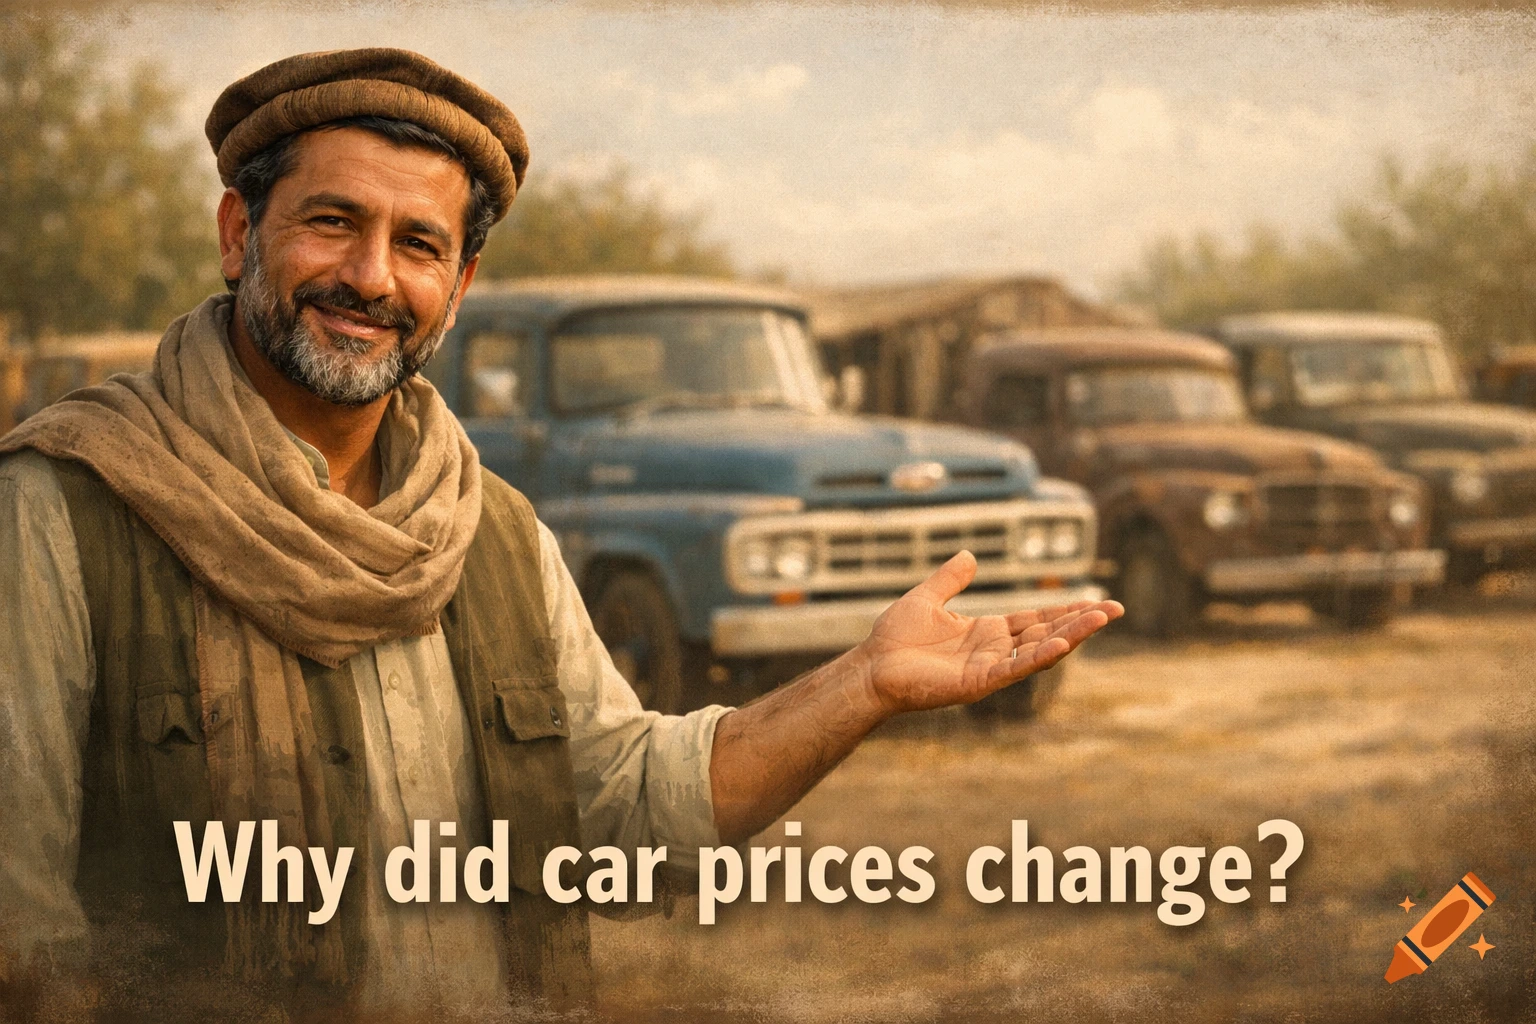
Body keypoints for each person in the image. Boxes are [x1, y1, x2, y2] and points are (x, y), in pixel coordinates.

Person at [0, 48, 1121, 1021]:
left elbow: (629, 800)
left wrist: (863, 683)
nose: (372, 276)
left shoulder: (488, 530)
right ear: (241, 231)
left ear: (462, 281)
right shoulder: (64, 512)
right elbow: (22, 947)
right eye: (332, 222)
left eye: (419, 243)